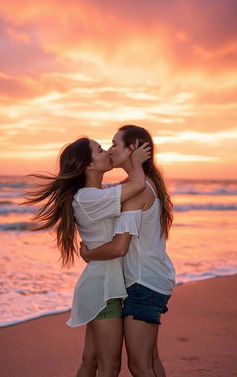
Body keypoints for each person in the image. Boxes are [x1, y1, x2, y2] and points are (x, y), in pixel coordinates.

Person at [24, 136, 151, 377]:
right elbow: (137, 185)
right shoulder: (89, 198)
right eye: (100, 150)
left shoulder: (98, 193)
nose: (106, 152)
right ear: (89, 165)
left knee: (90, 361)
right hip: (104, 291)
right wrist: (136, 162)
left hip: (101, 285)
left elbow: (129, 186)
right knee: (109, 366)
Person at [80, 125, 175, 377]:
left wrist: (89, 254)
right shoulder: (145, 183)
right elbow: (108, 192)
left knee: (139, 365)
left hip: (142, 283)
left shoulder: (137, 191)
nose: (110, 150)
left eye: (114, 144)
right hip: (154, 279)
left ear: (132, 149)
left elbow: (121, 246)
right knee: (151, 360)